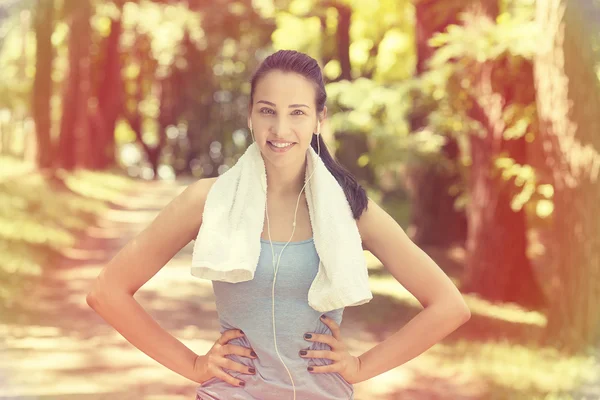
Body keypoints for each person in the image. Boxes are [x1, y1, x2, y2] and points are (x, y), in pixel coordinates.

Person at [86, 49, 471, 400]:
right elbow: (107, 292)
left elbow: (449, 306)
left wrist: (360, 367)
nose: (280, 129)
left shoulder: (350, 209)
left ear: (320, 119)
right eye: (267, 111)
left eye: (297, 112)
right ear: (250, 116)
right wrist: (192, 365)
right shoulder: (210, 200)